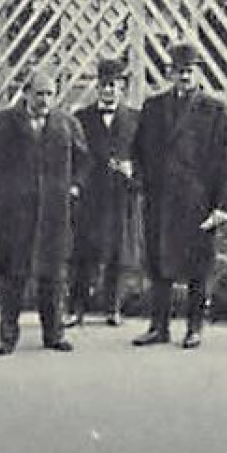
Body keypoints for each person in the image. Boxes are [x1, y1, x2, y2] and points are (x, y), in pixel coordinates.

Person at [0, 68, 88, 356]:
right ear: (25, 93)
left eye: (50, 94)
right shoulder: (1, 124)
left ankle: (54, 334)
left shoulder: (67, 124)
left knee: (52, 276)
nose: (45, 100)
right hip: (14, 215)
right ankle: (7, 337)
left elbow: (84, 161)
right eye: (40, 94)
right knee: (13, 276)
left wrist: (74, 185)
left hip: (53, 214)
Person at [130, 43, 227, 350]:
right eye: (178, 71)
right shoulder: (153, 107)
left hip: (197, 200)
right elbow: (139, 152)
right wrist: (140, 181)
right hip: (160, 199)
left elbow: (224, 161)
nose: (184, 76)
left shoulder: (214, 110)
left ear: (198, 73)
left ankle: (194, 327)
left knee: (197, 266)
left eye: (189, 71)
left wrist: (220, 206)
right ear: (169, 74)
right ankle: (158, 327)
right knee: (159, 263)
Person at [68, 56, 142, 329]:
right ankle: (75, 309)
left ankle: (113, 308)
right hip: (90, 197)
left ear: (123, 87)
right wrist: (75, 185)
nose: (109, 90)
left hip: (121, 197)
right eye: (104, 85)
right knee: (83, 254)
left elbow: (145, 158)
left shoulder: (135, 119)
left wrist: (131, 170)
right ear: (97, 87)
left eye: (114, 85)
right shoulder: (81, 118)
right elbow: (74, 156)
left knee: (117, 254)